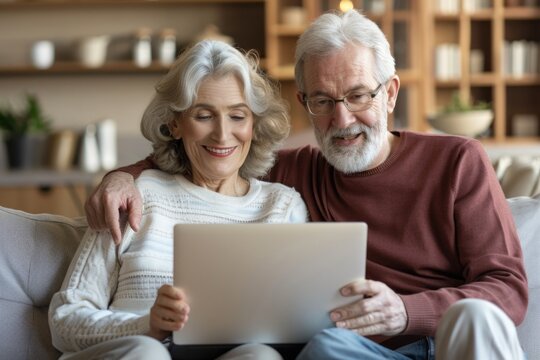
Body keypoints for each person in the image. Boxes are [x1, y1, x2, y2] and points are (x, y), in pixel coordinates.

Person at [85, 10, 528, 360]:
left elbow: (507, 288)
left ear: (390, 93)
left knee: (476, 316)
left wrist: (408, 312)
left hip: (447, 342)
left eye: (358, 95)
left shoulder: (457, 160)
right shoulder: (293, 174)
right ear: (304, 103)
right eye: (322, 100)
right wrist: (122, 176)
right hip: (361, 353)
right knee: (323, 348)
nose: (342, 119)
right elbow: (209, 153)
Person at [49, 39, 308, 360]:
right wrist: (146, 326)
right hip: (134, 352)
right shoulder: (137, 194)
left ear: (254, 125)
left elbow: (298, 324)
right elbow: (65, 319)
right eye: (203, 116)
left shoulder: (282, 208)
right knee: (149, 353)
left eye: (238, 116)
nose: (223, 134)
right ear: (175, 124)